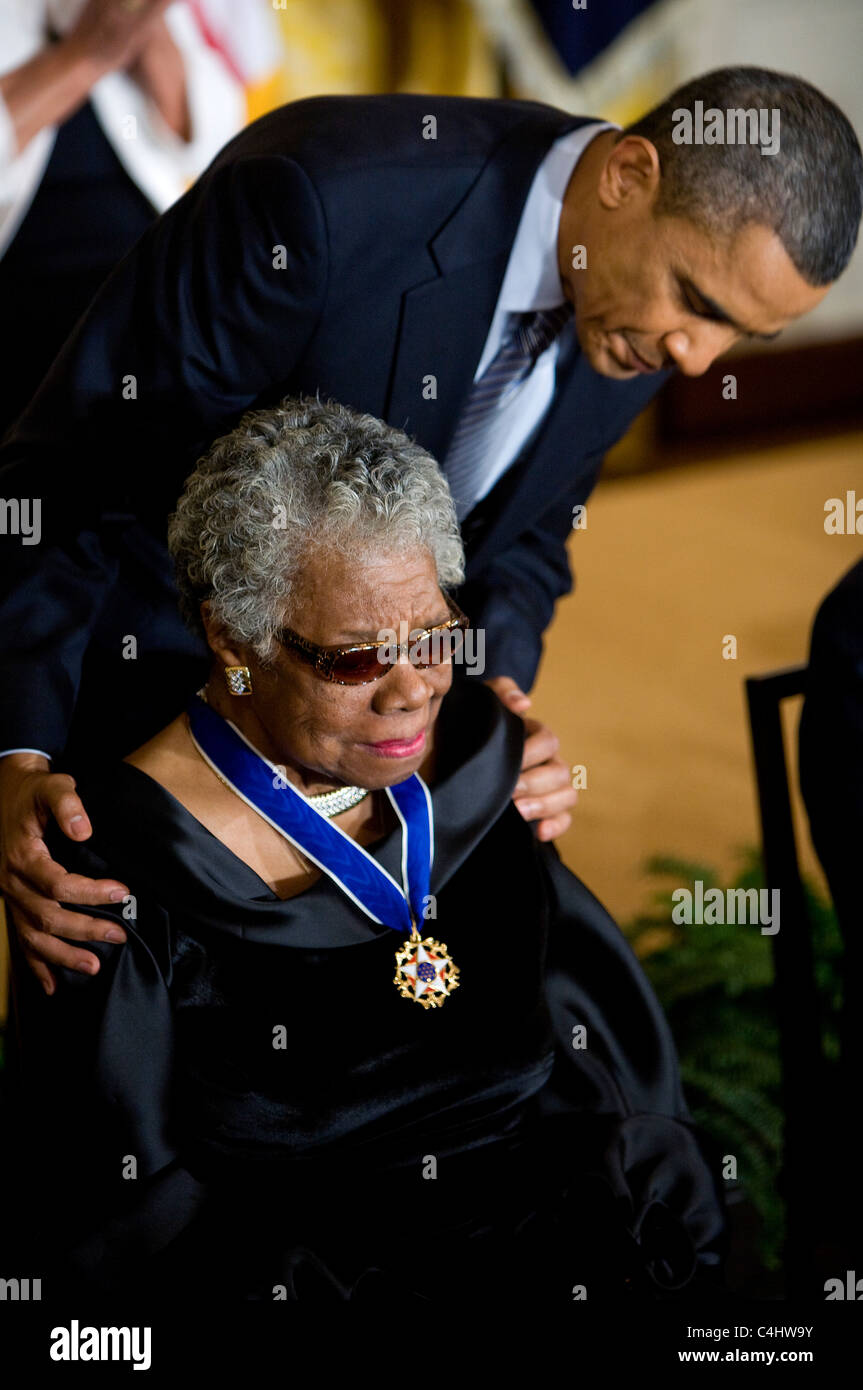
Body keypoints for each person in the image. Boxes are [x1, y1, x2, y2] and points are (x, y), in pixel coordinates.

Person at [1, 68, 861, 994]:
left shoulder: (639, 307)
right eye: (696, 301)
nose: (697, 360)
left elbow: (525, 536)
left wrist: (496, 693)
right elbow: (72, 480)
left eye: (741, 336)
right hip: (158, 719)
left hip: (382, 761)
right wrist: (16, 751)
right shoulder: (315, 206)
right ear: (628, 177)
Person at [8, 395, 726, 1302]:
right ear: (235, 641)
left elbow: (599, 1057)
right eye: (353, 660)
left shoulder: (472, 756)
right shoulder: (108, 872)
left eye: (432, 639)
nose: (412, 693)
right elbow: (129, 1220)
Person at [0, 0, 244, 437]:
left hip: (151, 264)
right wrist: (82, 59)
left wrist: (144, 32)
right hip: (32, 285)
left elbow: (218, 133)